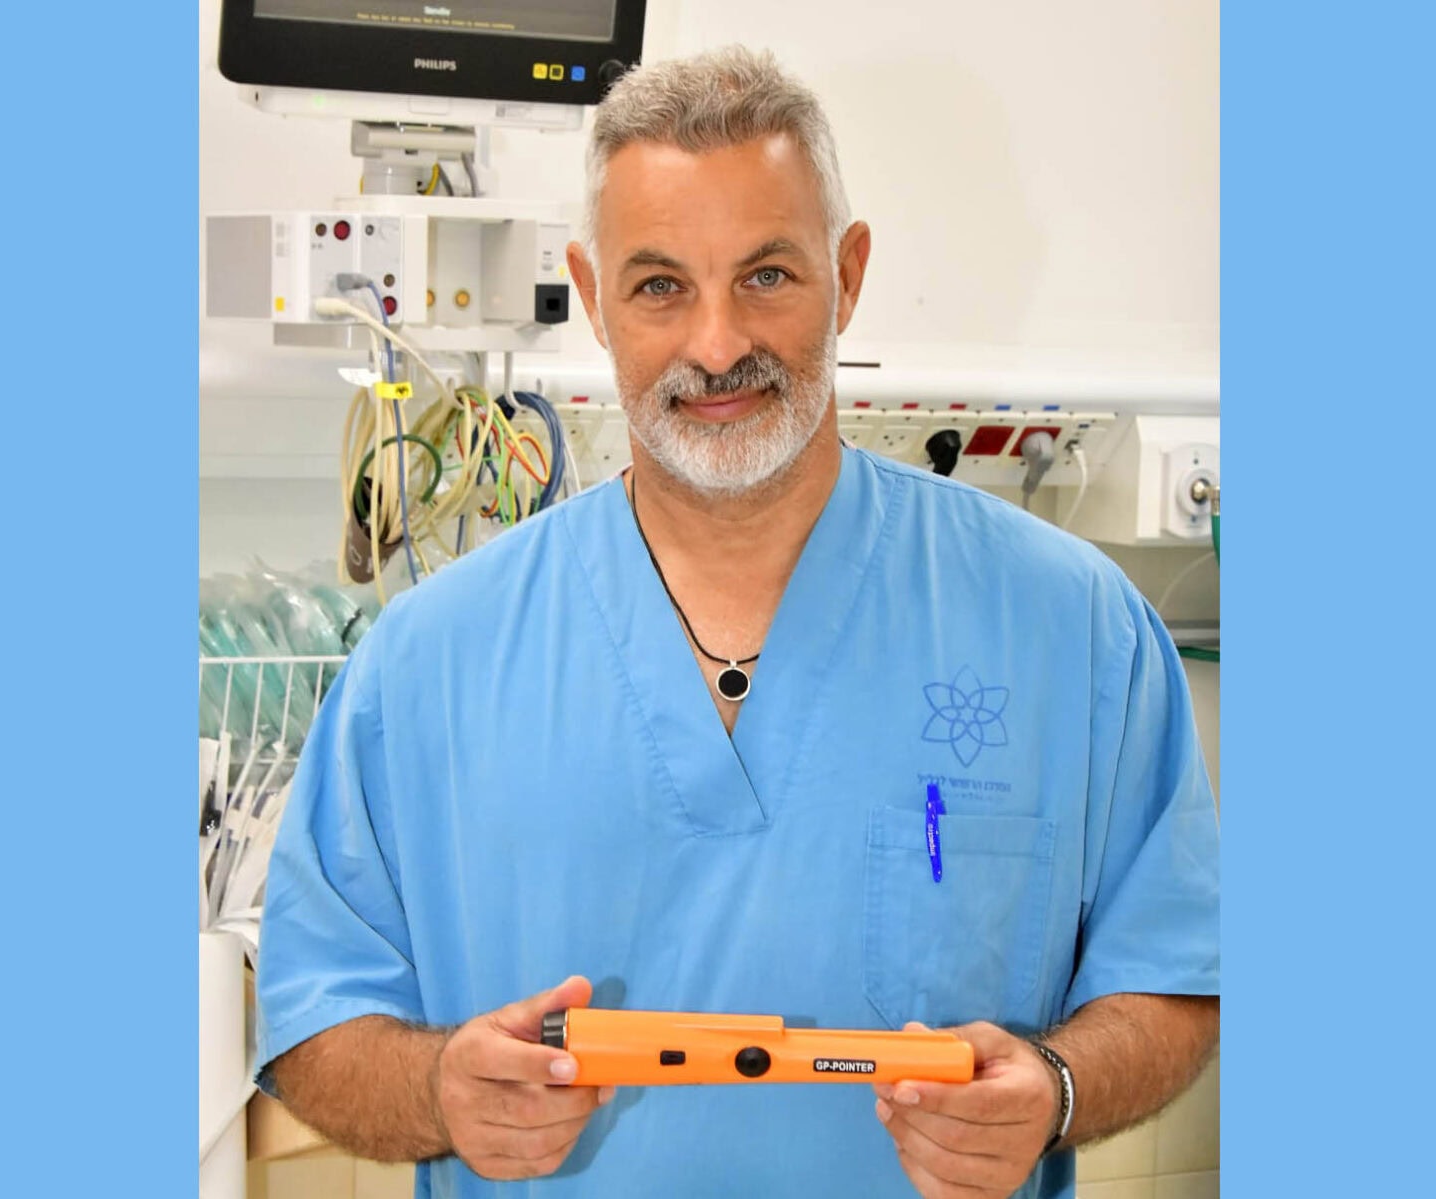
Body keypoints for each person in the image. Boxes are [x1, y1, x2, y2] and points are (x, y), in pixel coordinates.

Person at [255, 45, 1220, 1199]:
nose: (717, 345)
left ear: (848, 274)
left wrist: (1057, 1086)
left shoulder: (1072, 628)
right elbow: (315, 1019)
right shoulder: (428, 662)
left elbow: (1174, 976)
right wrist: (436, 1092)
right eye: (661, 285)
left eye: (766, 276)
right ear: (598, 293)